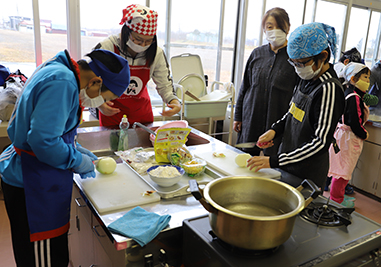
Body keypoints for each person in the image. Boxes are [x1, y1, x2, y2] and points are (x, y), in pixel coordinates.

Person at [0, 49, 131, 267]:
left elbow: (51, 127)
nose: (99, 103)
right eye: (106, 98)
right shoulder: (63, 83)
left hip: (33, 174)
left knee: (51, 254)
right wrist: (76, 160)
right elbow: (43, 141)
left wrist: (74, 147)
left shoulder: (58, 68)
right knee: (44, 259)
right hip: (31, 183)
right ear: (96, 82)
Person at [247, 22, 345, 189]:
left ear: (323, 56)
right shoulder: (306, 78)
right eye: (294, 63)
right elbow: (293, 112)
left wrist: (274, 160)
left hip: (307, 175)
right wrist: (275, 130)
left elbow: (320, 143)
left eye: (301, 63)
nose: (298, 69)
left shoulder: (329, 89)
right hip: (288, 165)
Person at [93, 4, 181, 127]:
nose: (143, 45)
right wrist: (98, 103)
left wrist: (174, 101)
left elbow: (165, 84)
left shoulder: (156, 53)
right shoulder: (108, 47)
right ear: (126, 32)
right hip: (112, 112)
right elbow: (89, 78)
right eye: (138, 39)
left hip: (141, 114)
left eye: (149, 41)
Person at [234, 7, 298, 156]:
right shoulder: (257, 54)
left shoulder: (295, 58)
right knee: (245, 160)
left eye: (279, 26)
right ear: (264, 29)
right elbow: (245, 86)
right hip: (251, 117)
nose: (274, 30)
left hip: (276, 121)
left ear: (288, 28)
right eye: (270, 27)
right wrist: (238, 116)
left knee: (273, 165)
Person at [328, 63, 370, 208]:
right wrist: (364, 134)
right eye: (365, 78)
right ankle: (336, 201)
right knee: (343, 171)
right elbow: (354, 121)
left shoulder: (350, 93)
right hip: (348, 138)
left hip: (343, 136)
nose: (368, 82)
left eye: (368, 78)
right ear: (353, 78)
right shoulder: (353, 97)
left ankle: (337, 196)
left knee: (341, 169)